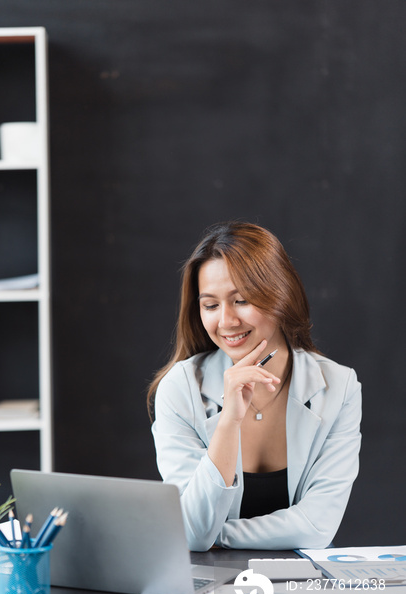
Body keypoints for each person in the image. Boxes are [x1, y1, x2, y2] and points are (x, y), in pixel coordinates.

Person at [148, 220, 362, 552]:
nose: (226, 322)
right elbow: (192, 532)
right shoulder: (180, 389)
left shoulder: (339, 386)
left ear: (280, 294)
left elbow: (317, 526)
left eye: (242, 300)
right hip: (209, 588)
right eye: (210, 305)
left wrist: (221, 536)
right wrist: (229, 421)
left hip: (302, 588)